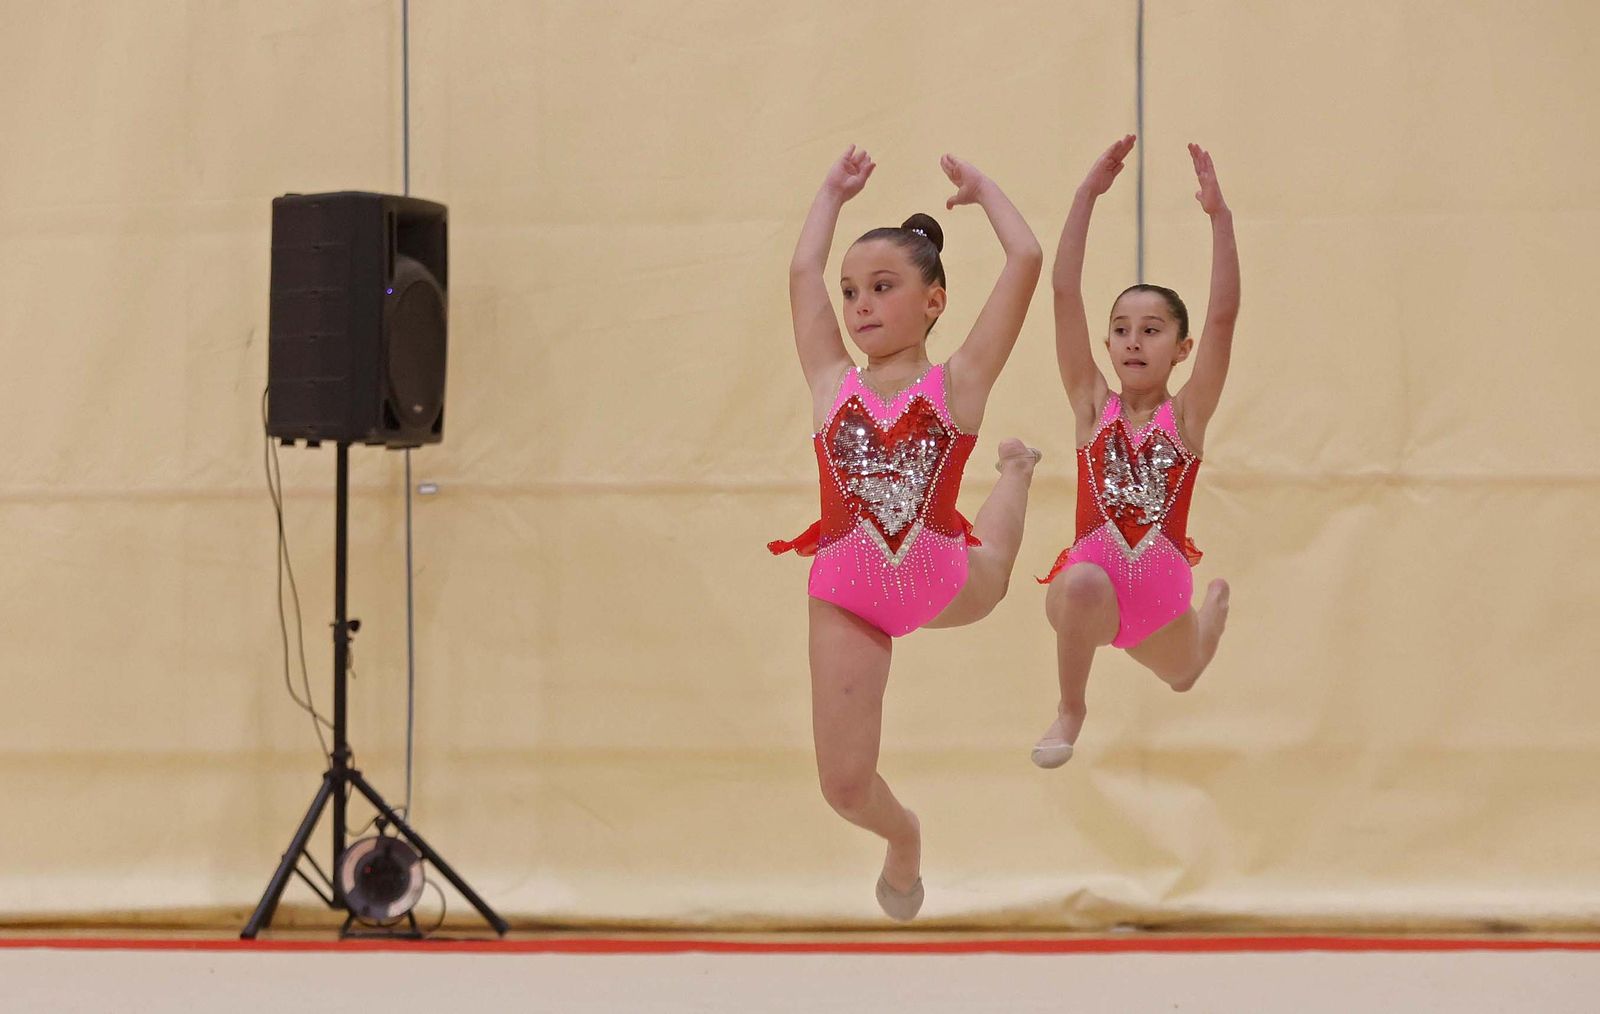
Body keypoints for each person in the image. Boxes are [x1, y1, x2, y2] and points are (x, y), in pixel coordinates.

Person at [770, 146, 1042, 919]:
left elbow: (1025, 257)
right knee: (845, 785)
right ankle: (905, 838)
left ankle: (1016, 475)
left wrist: (986, 190)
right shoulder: (831, 384)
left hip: (943, 578)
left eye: (883, 287)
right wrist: (828, 191)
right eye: (852, 290)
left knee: (990, 572)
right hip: (848, 597)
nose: (859, 304)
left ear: (933, 301)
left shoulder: (958, 383)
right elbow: (801, 276)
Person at [1031, 136, 1237, 769]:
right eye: (1121, 330)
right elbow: (1064, 295)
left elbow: (1225, 316)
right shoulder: (1093, 407)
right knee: (1087, 580)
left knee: (1182, 675)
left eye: (1151, 331)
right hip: (1083, 600)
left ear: (1180, 348)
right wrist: (1085, 196)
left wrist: (1219, 218)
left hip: (1158, 603)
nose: (1132, 342)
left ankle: (1201, 637)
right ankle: (1071, 708)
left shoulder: (1188, 417)